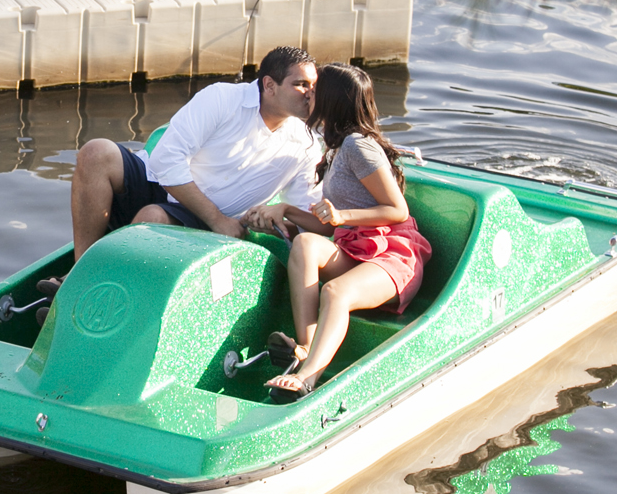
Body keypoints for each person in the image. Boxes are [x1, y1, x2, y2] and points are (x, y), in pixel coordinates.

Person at [259, 63, 431, 399]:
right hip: (359, 248)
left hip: (393, 257)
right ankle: (307, 345)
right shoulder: (336, 146)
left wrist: (342, 214)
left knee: (335, 292)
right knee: (306, 244)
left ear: (332, 99)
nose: (309, 93)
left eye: (315, 89)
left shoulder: (358, 146)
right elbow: (327, 224)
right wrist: (283, 211)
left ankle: (308, 377)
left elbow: (398, 210)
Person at [63, 45, 322, 262]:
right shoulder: (222, 97)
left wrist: (273, 220)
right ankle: (79, 270)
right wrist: (218, 219)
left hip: (196, 216)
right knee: (95, 152)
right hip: (164, 186)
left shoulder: (308, 145)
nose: (311, 94)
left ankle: (93, 282)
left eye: (314, 86)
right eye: (301, 85)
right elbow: (165, 159)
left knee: (152, 219)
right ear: (269, 85)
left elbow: (303, 223)